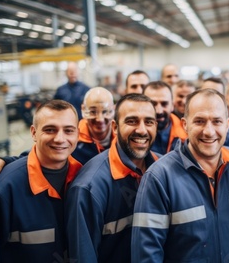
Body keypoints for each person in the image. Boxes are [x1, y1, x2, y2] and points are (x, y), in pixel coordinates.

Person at [132, 88, 229, 262]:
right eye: (199, 121)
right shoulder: (159, 178)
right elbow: (146, 253)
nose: (209, 131)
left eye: (217, 121)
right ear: (185, 125)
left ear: (227, 124)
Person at [0, 100, 83, 262]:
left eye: (68, 130)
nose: (60, 139)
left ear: (77, 134)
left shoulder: (83, 179)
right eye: (50, 130)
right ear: (33, 133)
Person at [65, 93, 159, 262]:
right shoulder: (89, 187)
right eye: (132, 121)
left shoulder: (163, 169)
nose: (142, 130)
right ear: (115, 127)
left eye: (149, 122)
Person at [0, 87, 116, 189]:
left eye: (105, 112)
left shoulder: (122, 142)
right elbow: (38, 155)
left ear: (113, 111)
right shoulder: (72, 140)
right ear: (84, 110)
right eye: (93, 111)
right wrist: (6, 162)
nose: (100, 118)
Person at [143, 81, 187, 154]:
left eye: (164, 104)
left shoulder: (187, 136)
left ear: (172, 105)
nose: (159, 111)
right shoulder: (131, 137)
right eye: (153, 104)